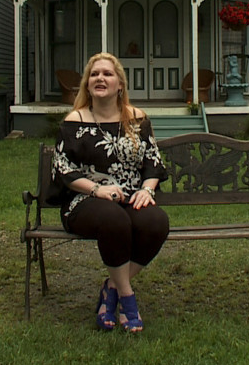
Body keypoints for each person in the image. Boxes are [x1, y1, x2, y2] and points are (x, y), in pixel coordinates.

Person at [51, 52, 169, 332]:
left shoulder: (137, 119)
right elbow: (63, 168)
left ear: (120, 84)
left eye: (107, 74)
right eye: (94, 74)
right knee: (114, 220)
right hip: (84, 200)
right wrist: (96, 189)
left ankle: (112, 287)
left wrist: (147, 189)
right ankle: (127, 297)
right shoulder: (75, 120)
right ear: (87, 84)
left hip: (130, 196)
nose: (100, 78)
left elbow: (153, 161)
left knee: (156, 222)